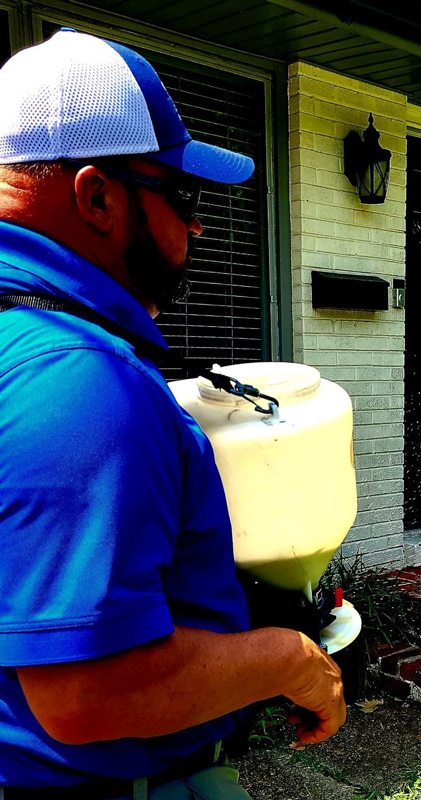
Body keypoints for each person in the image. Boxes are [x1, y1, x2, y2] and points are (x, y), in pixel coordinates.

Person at [0, 29, 345, 797]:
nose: (198, 225)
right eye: (181, 196)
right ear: (96, 196)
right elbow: (93, 692)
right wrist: (293, 661)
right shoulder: (80, 379)